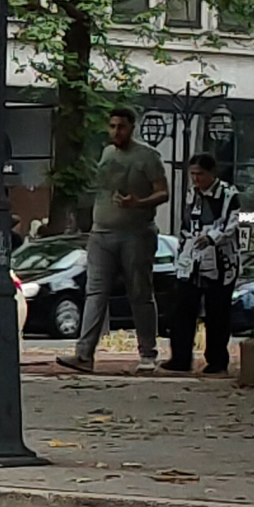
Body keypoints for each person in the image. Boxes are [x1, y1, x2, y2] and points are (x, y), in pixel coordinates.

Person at [60, 107, 168, 374]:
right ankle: (84, 355)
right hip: (101, 233)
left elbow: (163, 192)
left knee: (140, 293)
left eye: (121, 126)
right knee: (95, 292)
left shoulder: (148, 156)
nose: (115, 131)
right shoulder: (107, 153)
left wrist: (139, 202)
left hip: (136, 233)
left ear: (132, 127)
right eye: (112, 126)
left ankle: (147, 353)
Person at [164, 153, 243, 375]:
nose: (196, 179)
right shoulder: (192, 194)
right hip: (192, 260)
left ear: (212, 173)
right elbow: (187, 222)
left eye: (200, 174)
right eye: (193, 174)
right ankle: (180, 357)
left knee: (217, 312)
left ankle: (217, 360)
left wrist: (212, 238)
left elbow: (232, 223)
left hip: (220, 261)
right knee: (183, 308)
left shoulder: (228, 194)